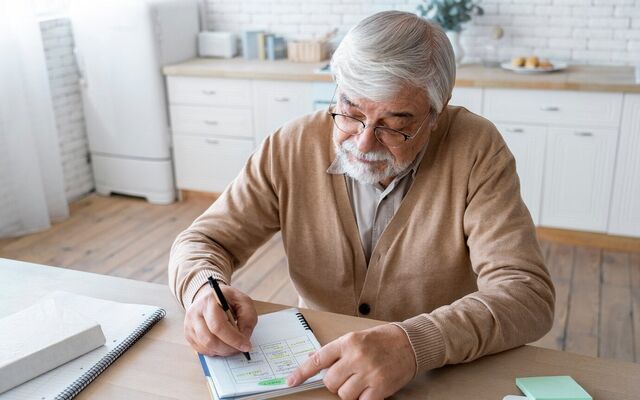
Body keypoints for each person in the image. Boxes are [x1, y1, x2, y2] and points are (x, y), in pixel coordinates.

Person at [168, 10, 555, 400]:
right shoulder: (290, 146)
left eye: (394, 124)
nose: (365, 142)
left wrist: (413, 343)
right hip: (319, 371)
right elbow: (203, 241)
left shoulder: (476, 149)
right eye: (351, 114)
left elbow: (526, 294)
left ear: (437, 112)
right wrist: (203, 289)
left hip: (435, 374)